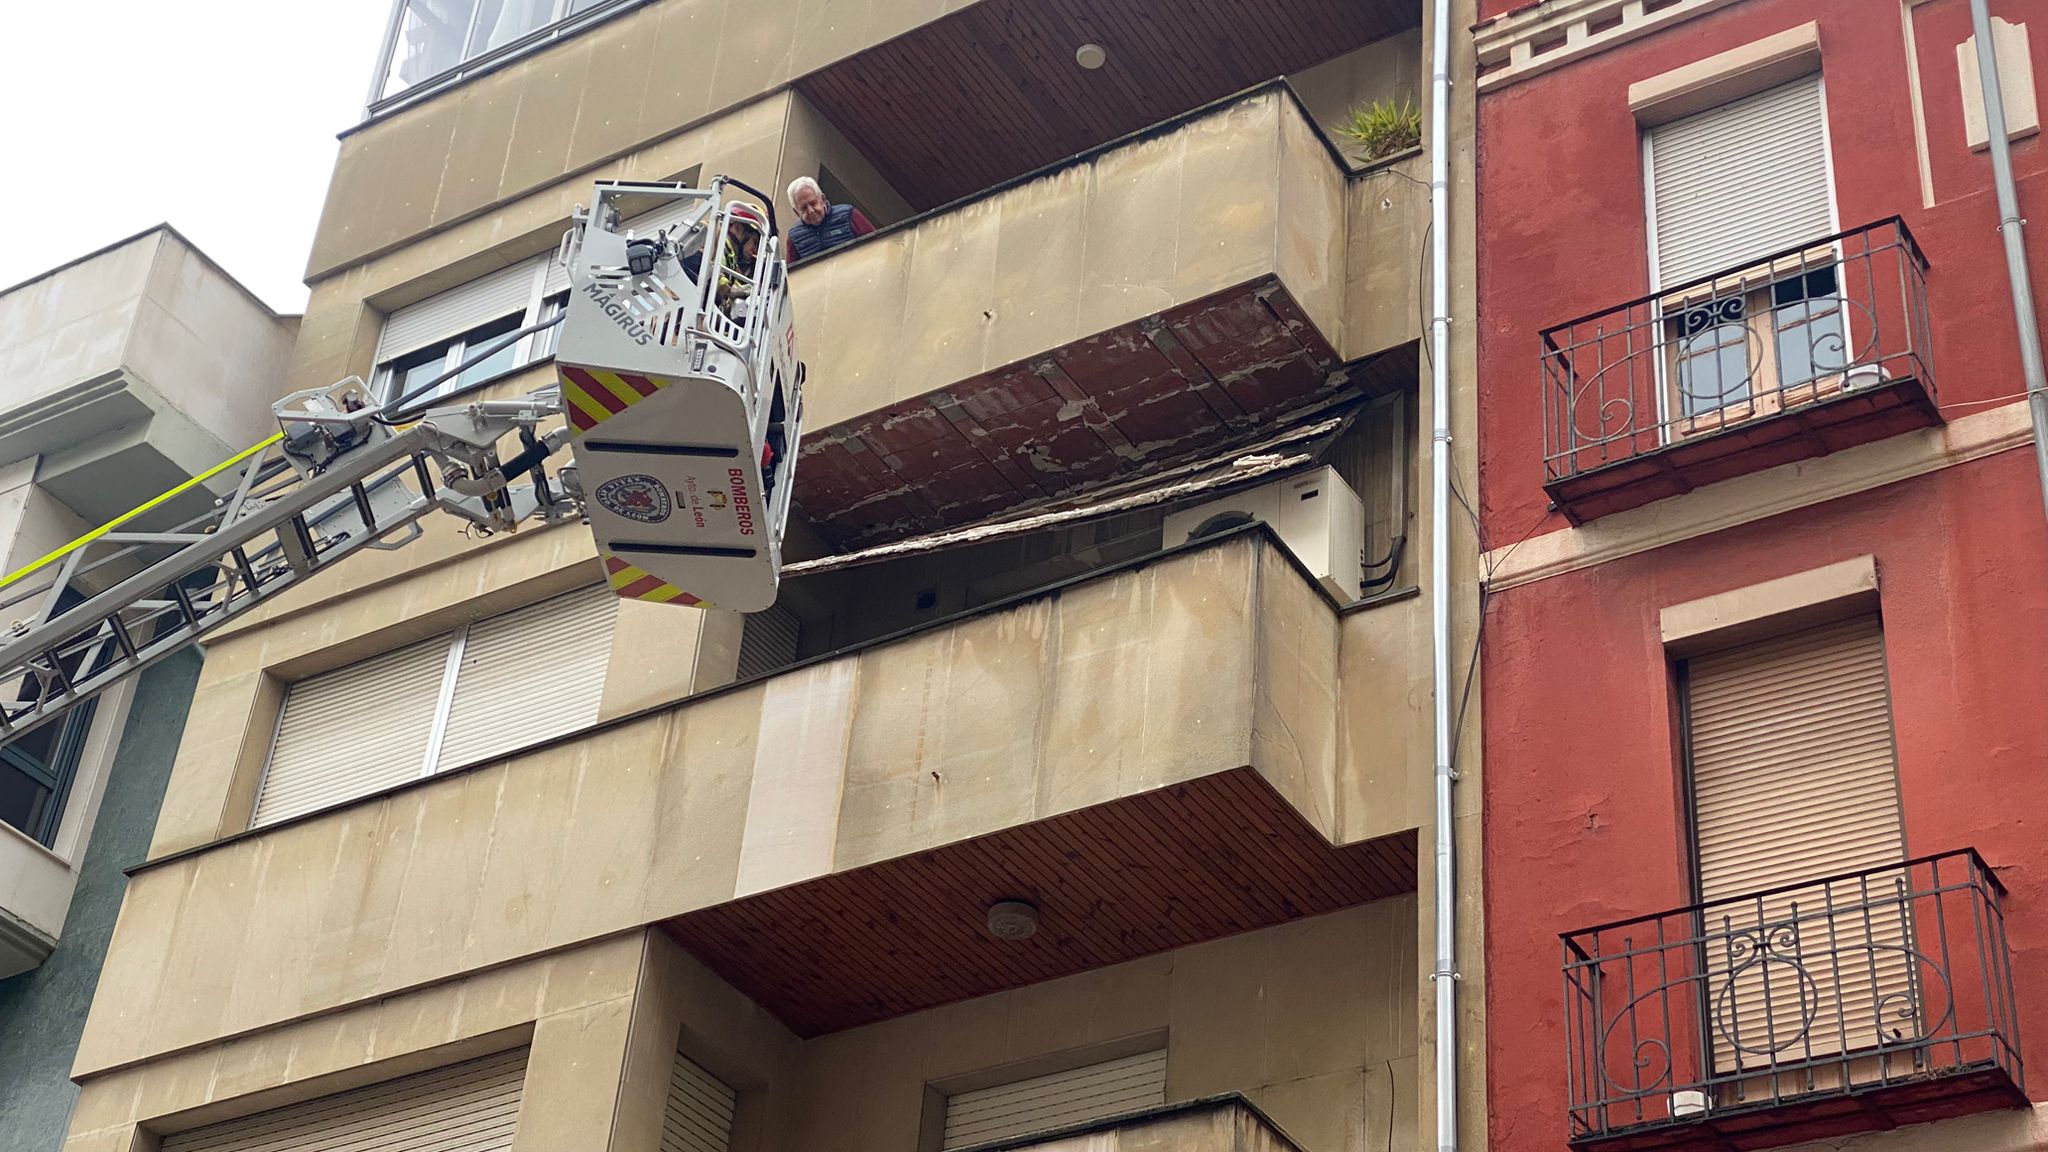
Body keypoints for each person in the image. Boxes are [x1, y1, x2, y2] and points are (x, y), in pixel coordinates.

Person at [785, 176, 875, 263]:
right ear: (796, 212)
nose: (811, 211)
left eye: (813, 203)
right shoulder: (793, 238)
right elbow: (792, 275)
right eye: (804, 208)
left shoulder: (849, 215)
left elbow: (876, 244)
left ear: (822, 199)